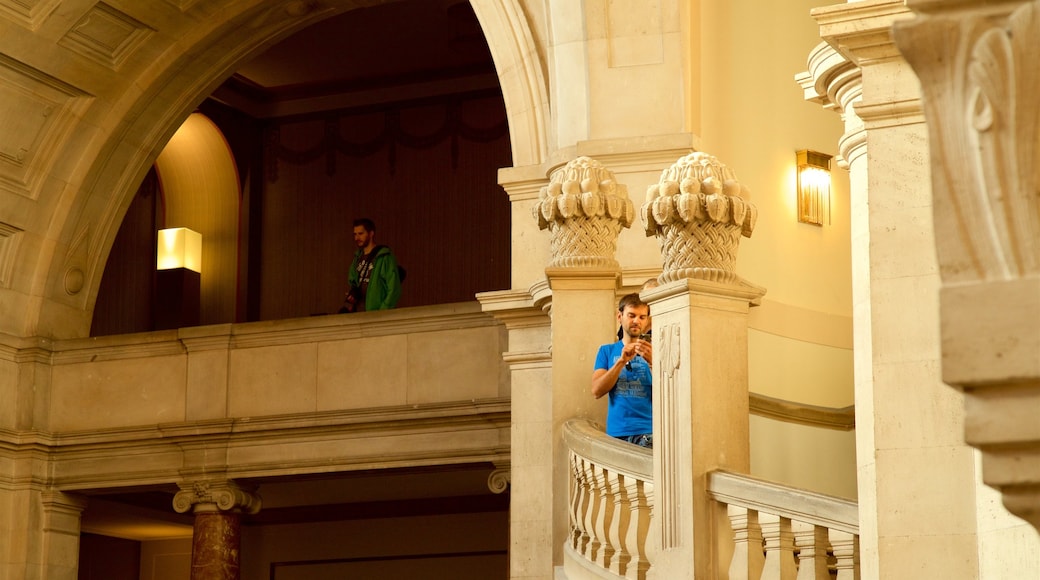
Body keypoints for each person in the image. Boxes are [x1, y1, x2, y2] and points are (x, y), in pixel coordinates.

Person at [592, 293, 654, 448]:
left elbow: (671, 392)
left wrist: (654, 362)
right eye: (631, 315)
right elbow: (596, 391)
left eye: (642, 317)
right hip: (617, 434)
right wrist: (621, 361)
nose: (636, 321)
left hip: (649, 432)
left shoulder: (655, 351)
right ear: (619, 316)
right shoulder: (606, 351)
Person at [340, 218, 402, 313]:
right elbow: (353, 282)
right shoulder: (357, 257)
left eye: (360, 234)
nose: (357, 238)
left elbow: (394, 288)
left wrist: (383, 311)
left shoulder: (384, 257)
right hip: (358, 313)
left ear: (371, 233)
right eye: (355, 234)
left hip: (376, 314)